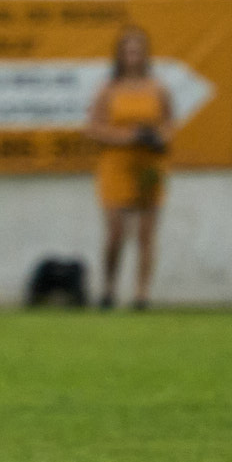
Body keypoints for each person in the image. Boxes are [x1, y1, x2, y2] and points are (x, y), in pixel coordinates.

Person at [86, 24, 174, 310]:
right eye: (128, 50)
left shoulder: (158, 88)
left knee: (146, 233)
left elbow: (169, 123)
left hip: (148, 165)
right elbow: (93, 128)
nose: (133, 56)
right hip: (116, 164)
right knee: (116, 233)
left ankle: (142, 293)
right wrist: (128, 136)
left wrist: (158, 138)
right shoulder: (108, 89)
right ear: (120, 55)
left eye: (138, 50)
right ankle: (109, 288)